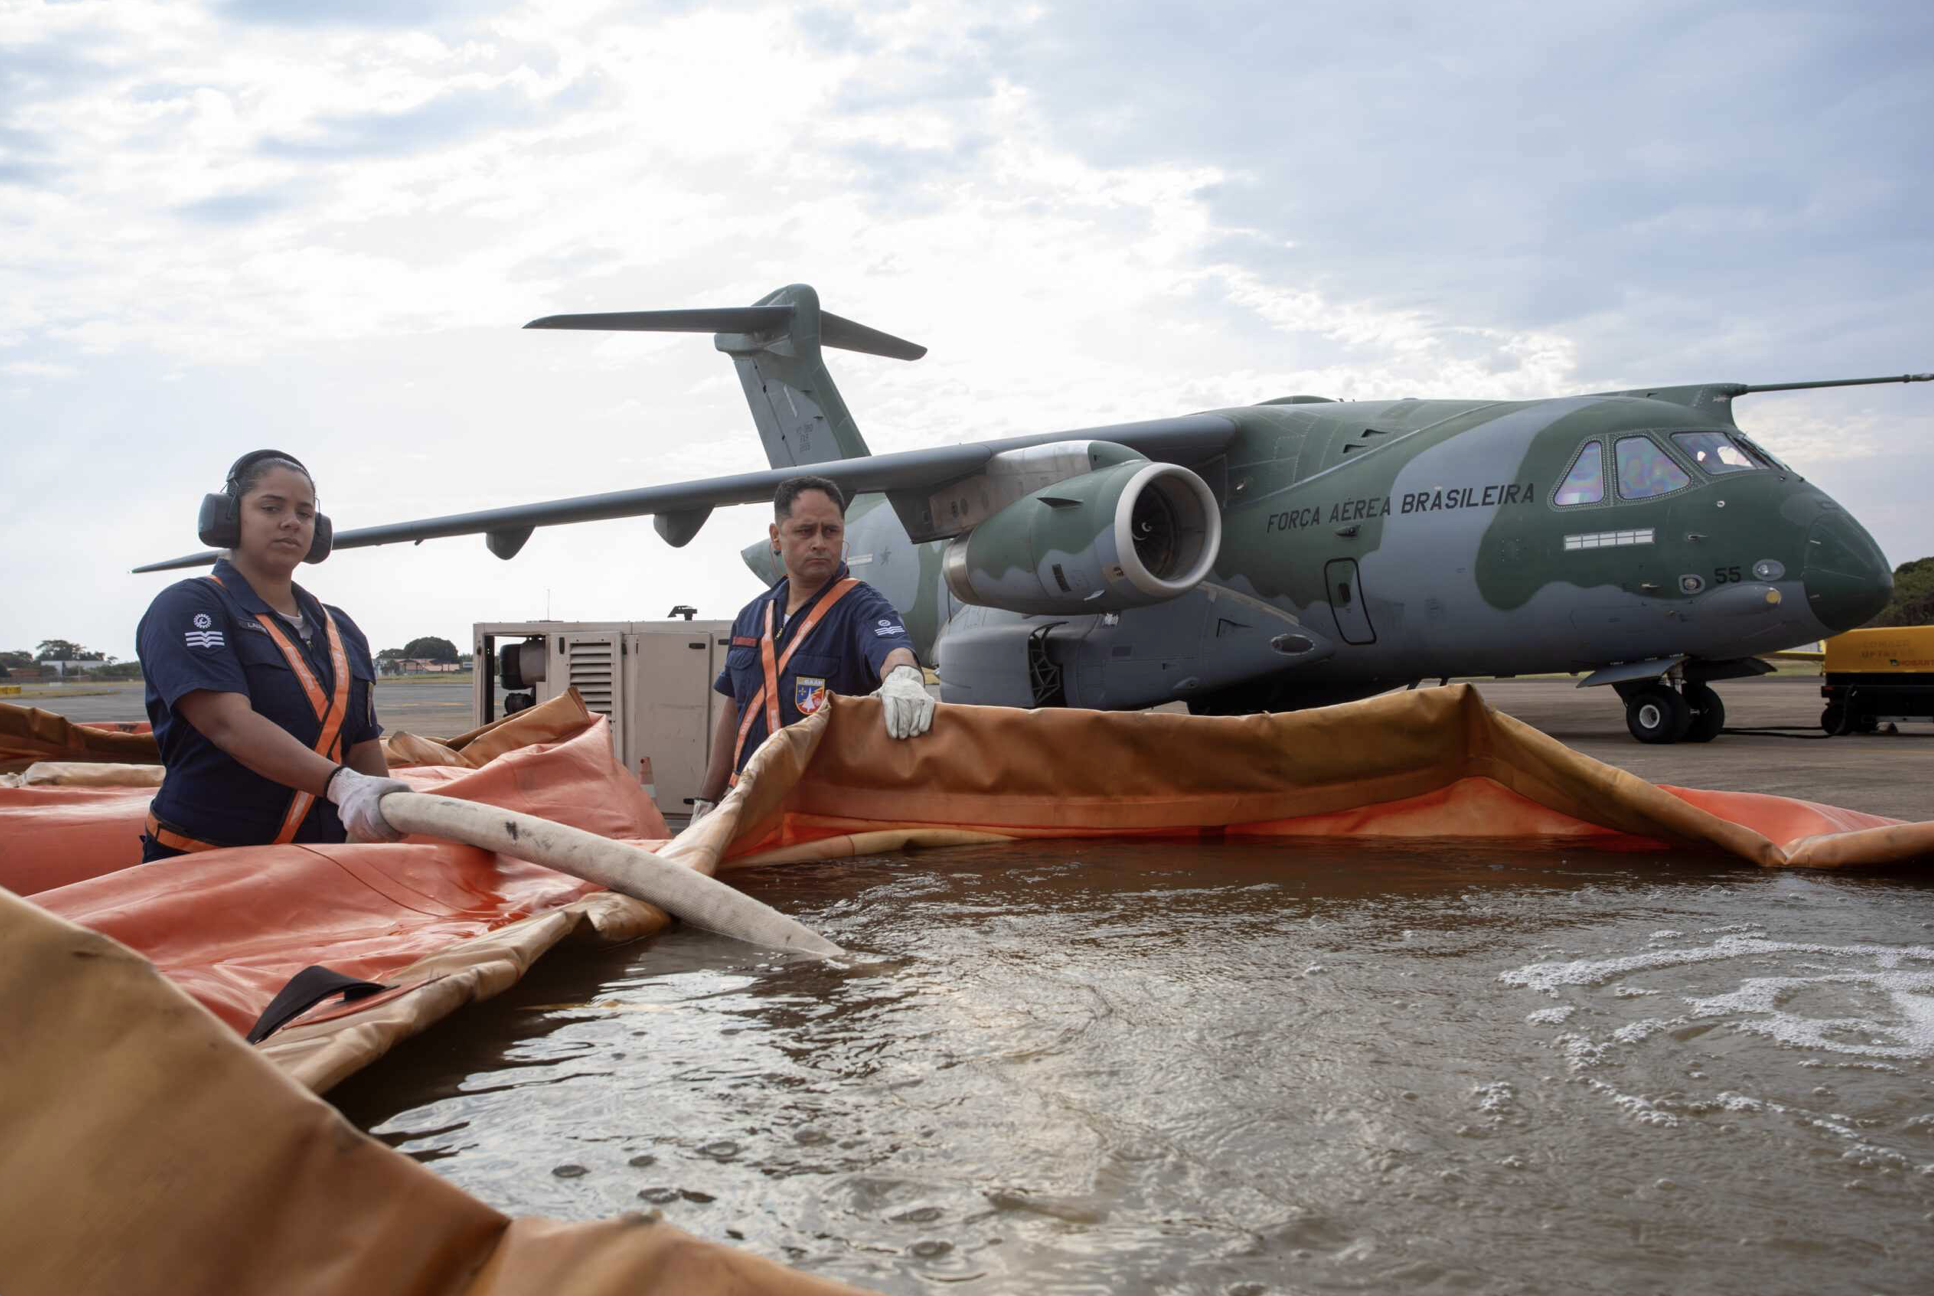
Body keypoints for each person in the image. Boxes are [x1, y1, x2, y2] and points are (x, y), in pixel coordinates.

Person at [135, 450, 409, 860]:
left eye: (305, 513)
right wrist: (342, 785)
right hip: (206, 863)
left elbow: (361, 743)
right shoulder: (191, 607)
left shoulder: (341, 629)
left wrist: (387, 815)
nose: (291, 522)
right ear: (229, 518)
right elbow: (227, 723)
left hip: (319, 862)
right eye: (270, 507)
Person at [692, 475, 934, 819]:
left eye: (830, 531)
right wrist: (706, 800)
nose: (820, 543)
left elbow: (893, 647)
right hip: (747, 808)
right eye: (805, 531)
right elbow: (734, 712)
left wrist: (904, 677)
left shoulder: (861, 608)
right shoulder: (752, 617)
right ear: (776, 537)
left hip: (822, 816)